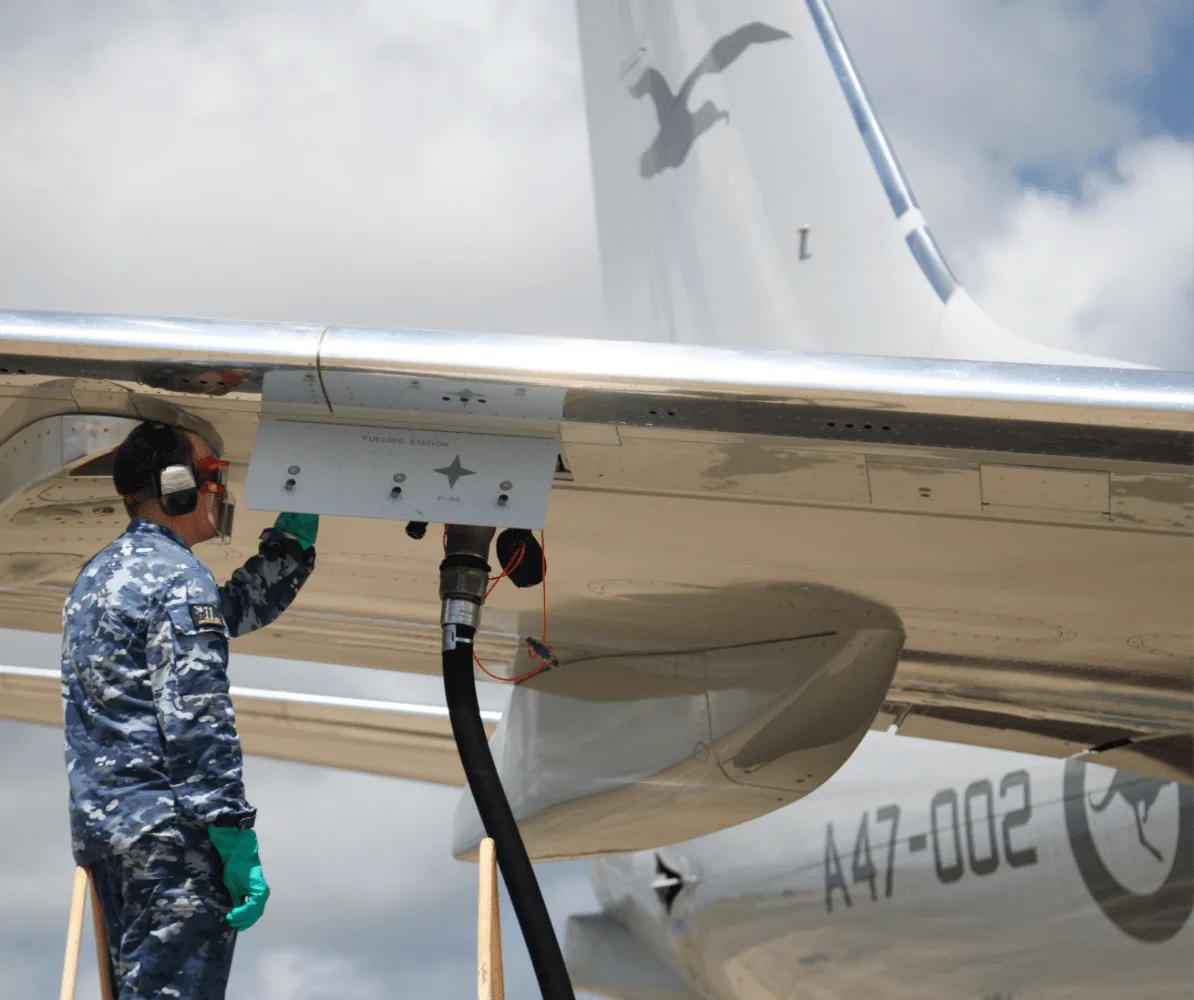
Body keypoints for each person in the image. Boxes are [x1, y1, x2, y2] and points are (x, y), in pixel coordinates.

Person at [60, 420, 319, 999]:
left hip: (113, 839)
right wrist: (232, 834)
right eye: (212, 476)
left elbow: (227, 614)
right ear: (178, 487)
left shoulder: (99, 575)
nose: (219, 492)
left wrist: (290, 551)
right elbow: (198, 720)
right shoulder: (179, 579)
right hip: (172, 842)